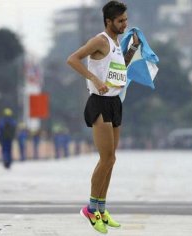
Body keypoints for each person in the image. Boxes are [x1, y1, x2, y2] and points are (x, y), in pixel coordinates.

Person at [67, 1, 140, 233]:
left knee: (112, 158)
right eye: (120, 21)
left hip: (115, 103)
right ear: (108, 21)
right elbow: (73, 59)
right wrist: (93, 79)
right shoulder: (100, 40)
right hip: (98, 103)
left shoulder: (117, 43)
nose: (125, 24)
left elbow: (119, 70)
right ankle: (90, 208)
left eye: (126, 20)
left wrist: (132, 51)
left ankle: (101, 208)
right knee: (105, 158)